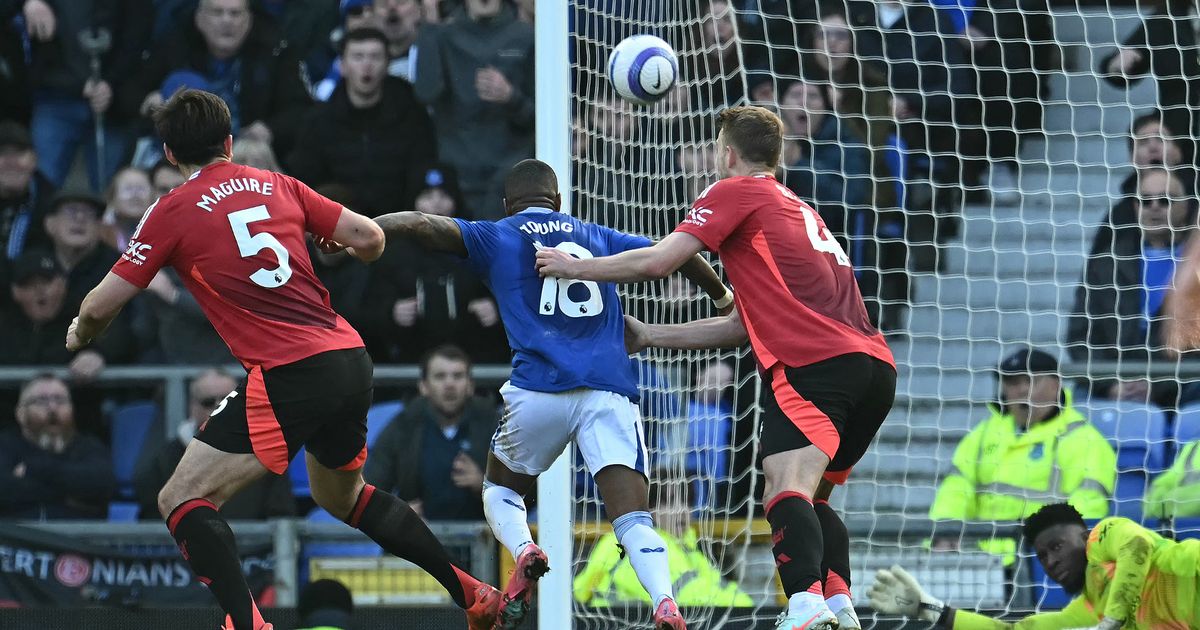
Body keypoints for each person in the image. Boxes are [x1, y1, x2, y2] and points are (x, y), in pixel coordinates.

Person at [65, 88, 503, 630]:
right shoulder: (279, 184)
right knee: (342, 496)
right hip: (348, 356)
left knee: (180, 497)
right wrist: (349, 246)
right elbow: (368, 237)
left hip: (290, 371)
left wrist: (79, 332)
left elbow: (101, 306)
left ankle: (249, 625)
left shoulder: (171, 209)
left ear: (171, 155)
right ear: (228, 141)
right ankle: (475, 593)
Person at [536, 106, 897, 630]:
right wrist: (651, 336)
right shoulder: (798, 209)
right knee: (815, 495)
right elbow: (743, 328)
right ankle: (837, 602)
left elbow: (661, 260)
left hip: (814, 362)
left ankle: (803, 604)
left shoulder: (734, 192)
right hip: (873, 367)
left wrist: (576, 266)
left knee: (783, 484)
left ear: (727, 153)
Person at [338, 158, 732, 630]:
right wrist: (722, 297)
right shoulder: (596, 235)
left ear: (508, 204)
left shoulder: (496, 234)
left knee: (501, 489)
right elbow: (679, 253)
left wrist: (361, 230)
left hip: (538, 391)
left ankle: (524, 548)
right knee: (633, 516)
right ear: (559, 201)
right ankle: (665, 602)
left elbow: (421, 223)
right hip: (608, 392)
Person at [869, 503, 1200, 629]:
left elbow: (1138, 547)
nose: (1051, 562)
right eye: (1042, 556)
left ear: (1082, 536)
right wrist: (931, 608)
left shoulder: (1104, 535)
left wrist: (1112, 619)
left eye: (1057, 547)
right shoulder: (1088, 608)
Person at [929, 347, 1116, 565]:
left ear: (1056, 385)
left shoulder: (1082, 438)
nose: (1021, 390)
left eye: (1031, 381)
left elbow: (1089, 504)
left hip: (1041, 561)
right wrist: (946, 530)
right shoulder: (983, 434)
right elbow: (956, 488)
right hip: (979, 558)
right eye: (1012, 383)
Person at [1067, 167, 1197, 406]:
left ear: (1186, 206)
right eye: (1145, 201)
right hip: (1113, 386)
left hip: (1184, 387)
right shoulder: (1106, 264)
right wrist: (1111, 385)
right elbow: (1080, 337)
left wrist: (1157, 385)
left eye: (1165, 200)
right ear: (1135, 208)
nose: (1155, 207)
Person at [289, 27, 436, 216]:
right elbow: (304, 180)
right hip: (338, 226)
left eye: (375, 57)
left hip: (400, 224)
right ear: (342, 66)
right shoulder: (319, 121)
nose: (367, 65)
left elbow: (422, 170)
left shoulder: (412, 116)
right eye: (358, 57)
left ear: (387, 65)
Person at [413, 0, 534, 218]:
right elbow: (426, 92)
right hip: (456, 177)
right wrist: (430, 24)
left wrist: (510, 97)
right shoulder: (442, 35)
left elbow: (544, 117)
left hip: (509, 175)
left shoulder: (526, 37)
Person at [134, 369, 294, 520]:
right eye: (208, 402)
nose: (219, 407)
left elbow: (281, 517)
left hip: (256, 548)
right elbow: (152, 521)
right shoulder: (165, 459)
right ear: (192, 407)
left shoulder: (266, 456)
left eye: (228, 400)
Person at [364, 345, 496, 520]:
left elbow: (527, 493)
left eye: (457, 376)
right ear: (423, 386)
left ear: (470, 385)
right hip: (418, 539)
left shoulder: (494, 425)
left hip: (483, 539)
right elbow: (371, 489)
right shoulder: (405, 426)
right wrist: (397, 512)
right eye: (440, 376)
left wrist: (484, 485)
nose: (449, 384)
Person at [0, 374, 114, 519]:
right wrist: (67, 495)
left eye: (60, 400)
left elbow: (101, 486)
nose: (53, 408)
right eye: (41, 401)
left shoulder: (89, 446)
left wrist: (32, 470)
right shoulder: (4, 445)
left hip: (77, 539)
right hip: (15, 539)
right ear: (20, 413)